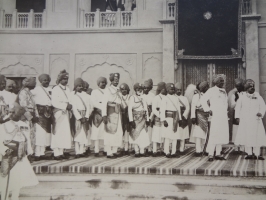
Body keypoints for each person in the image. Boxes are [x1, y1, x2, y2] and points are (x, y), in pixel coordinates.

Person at [0, 102, 38, 200]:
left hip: (21, 156)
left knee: (18, 180)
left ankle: (15, 198)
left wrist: (29, 151)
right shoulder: (4, 125)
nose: (11, 114)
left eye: (13, 112)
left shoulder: (24, 125)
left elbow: (27, 139)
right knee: (5, 180)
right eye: (10, 112)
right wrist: (4, 150)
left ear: (20, 114)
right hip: (9, 155)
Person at [235, 79, 266, 160]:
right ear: (246, 88)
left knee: (257, 136)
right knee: (247, 136)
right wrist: (237, 117)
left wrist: (261, 113)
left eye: (253, 86)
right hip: (245, 120)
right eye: (250, 87)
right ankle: (249, 153)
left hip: (256, 120)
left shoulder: (258, 96)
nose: (252, 88)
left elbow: (263, 106)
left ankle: (257, 154)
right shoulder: (242, 97)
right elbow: (238, 107)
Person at [201, 74, 229, 161]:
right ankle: (210, 154)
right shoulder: (211, 90)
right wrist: (208, 109)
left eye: (223, 81)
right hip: (215, 116)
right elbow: (203, 100)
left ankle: (218, 153)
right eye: (220, 81)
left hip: (223, 116)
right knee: (214, 134)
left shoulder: (224, 91)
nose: (222, 83)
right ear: (216, 82)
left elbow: (226, 103)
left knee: (221, 134)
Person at [31, 74, 53, 161]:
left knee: (45, 134)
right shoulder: (36, 90)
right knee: (39, 133)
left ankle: (42, 153)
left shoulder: (51, 90)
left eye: (47, 80)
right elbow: (30, 98)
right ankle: (37, 153)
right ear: (40, 81)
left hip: (48, 113)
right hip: (39, 113)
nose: (46, 82)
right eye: (44, 80)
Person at [51, 70, 72, 160]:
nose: (65, 81)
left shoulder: (68, 89)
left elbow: (70, 100)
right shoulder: (55, 89)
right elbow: (54, 102)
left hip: (66, 113)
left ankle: (61, 152)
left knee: (64, 132)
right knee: (58, 132)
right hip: (58, 113)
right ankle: (56, 153)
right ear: (59, 79)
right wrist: (65, 106)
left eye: (67, 79)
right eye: (64, 79)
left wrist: (69, 106)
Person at [102, 73, 123, 158]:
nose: (116, 81)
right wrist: (104, 115)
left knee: (118, 132)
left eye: (117, 79)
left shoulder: (118, 90)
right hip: (110, 112)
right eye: (114, 79)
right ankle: (109, 152)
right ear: (111, 80)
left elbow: (120, 101)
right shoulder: (108, 90)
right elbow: (104, 103)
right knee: (109, 132)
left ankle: (114, 151)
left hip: (118, 113)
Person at [17, 77, 38, 162]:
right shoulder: (23, 93)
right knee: (27, 136)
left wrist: (36, 116)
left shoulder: (29, 92)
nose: (35, 84)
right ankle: (27, 155)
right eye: (34, 82)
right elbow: (23, 107)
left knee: (32, 136)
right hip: (26, 118)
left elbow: (34, 106)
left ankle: (31, 154)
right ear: (28, 83)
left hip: (32, 117)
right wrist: (30, 117)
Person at [160, 83, 182, 158]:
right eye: (170, 89)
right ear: (167, 90)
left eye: (173, 89)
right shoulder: (165, 98)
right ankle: (167, 152)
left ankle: (173, 152)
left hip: (175, 118)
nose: (172, 91)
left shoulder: (176, 98)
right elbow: (162, 110)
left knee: (175, 136)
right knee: (167, 136)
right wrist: (164, 120)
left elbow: (178, 109)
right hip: (168, 119)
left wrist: (180, 119)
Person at [128, 83, 150, 157]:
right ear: (135, 90)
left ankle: (142, 151)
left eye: (141, 89)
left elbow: (146, 109)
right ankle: (136, 151)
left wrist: (147, 119)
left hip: (143, 119)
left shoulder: (143, 98)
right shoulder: (132, 98)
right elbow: (129, 109)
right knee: (135, 134)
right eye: (138, 89)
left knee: (143, 135)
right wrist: (131, 121)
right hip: (135, 119)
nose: (140, 91)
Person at [71, 78, 91, 158]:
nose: (80, 87)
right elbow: (74, 108)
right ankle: (77, 151)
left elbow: (88, 107)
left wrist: (86, 116)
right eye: (78, 86)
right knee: (77, 134)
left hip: (85, 116)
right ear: (75, 87)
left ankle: (82, 151)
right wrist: (79, 118)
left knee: (84, 134)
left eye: (81, 86)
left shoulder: (85, 95)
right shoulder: (73, 96)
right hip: (77, 117)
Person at [189, 81, 210, 157]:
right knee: (198, 134)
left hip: (207, 116)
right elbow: (193, 107)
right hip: (199, 116)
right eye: (206, 87)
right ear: (202, 88)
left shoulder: (209, 95)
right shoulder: (196, 96)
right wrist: (193, 117)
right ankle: (198, 150)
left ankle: (207, 150)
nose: (207, 88)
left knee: (207, 133)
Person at [90, 77, 107, 156]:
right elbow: (93, 102)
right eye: (101, 82)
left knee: (105, 132)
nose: (103, 83)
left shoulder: (107, 91)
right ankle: (96, 150)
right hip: (97, 114)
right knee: (97, 132)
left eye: (104, 82)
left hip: (106, 114)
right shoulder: (94, 92)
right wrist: (103, 106)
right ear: (98, 83)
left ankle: (105, 149)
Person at [228, 78, 245, 152]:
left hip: (244, 114)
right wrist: (237, 101)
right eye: (237, 86)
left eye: (240, 86)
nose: (238, 88)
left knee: (244, 129)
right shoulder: (233, 94)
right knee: (236, 129)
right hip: (236, 114)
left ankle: (243, 147)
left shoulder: (246, 93)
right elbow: (232, 105)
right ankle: (236, 146)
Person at [151, 82, 166, 157]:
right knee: (156, 134)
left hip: (165, 118)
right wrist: (160, 115)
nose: (165, 90)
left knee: (163, 134)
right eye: (163, 89)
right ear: (160, 89)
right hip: (158, 117)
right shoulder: (156, 98)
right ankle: (154, 150)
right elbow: (154, 109)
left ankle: (162, 149)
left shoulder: (166, 97)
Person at [175, 82, 190, 156]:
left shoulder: (184, 98)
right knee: (176, 134)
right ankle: (176, 149)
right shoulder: (173, 98)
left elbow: (187, 108)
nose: (178, 91)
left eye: (180, 90)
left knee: (182, 134)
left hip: (183, 117)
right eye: (177, 90)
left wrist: (184, 115)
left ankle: (181, 149)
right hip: (176, 118)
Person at [142, 79, 155, 155]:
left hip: (150, 115)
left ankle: (150, 148)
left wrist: (150, 117)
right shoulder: (141, 95)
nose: (146, 89)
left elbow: (154, 108)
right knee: (143, 132)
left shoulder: (152, 95)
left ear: (150, 88)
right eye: (144, 88)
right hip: (142, 116)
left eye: (147, 88)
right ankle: (143, 148)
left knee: (150, 132)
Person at [119, 83, 131, 155]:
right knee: (121, 132)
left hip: (127, 117)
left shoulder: (130, 97)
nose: (124, 91)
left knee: (127, 132)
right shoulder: (118, 97)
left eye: (125, 89)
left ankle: (126, 149)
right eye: (122, 89)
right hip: (120, 117)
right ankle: (121, 148)